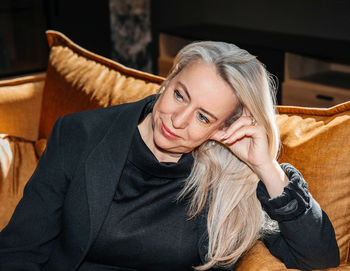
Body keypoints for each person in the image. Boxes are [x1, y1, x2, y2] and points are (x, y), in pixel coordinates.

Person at [0, 41, 339, 271]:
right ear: (169, 78)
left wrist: (266, 168)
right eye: (179, 95)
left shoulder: (232, 178)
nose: (177, 121)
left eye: (203, 117)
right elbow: (19, 249)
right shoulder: (80, 134)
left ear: (225, 128)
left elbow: (318, 257)